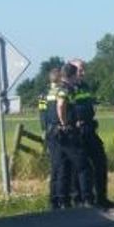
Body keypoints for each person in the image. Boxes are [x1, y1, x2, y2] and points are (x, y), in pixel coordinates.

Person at [66, 58, 114, 209]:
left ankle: (101, 197)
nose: (83, 72)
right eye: (80, 70)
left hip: (89, 129)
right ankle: (81, 200)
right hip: (77, 131)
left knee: (100, 162)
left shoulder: (85, 86)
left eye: (83, 69)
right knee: (79, 167)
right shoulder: (68, 88)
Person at [54, 63, 94, 207]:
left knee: (64, 167)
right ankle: (87, 199)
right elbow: (60, 105)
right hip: (68, 132)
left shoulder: (59, 87)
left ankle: (62, 201)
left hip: (59, 133)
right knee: (83, 166)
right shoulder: (67, 88)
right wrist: (65, 123)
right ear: (72, 75)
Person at [39, 68, 64, 209]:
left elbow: (42, 114)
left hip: (49, 131)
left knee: (55, 165)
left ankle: (53, 198)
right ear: (59, 78)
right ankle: (59, 198)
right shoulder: (61, 92)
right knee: (60, 165)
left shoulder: (43, 94)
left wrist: (44, 129)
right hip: (58, 130)